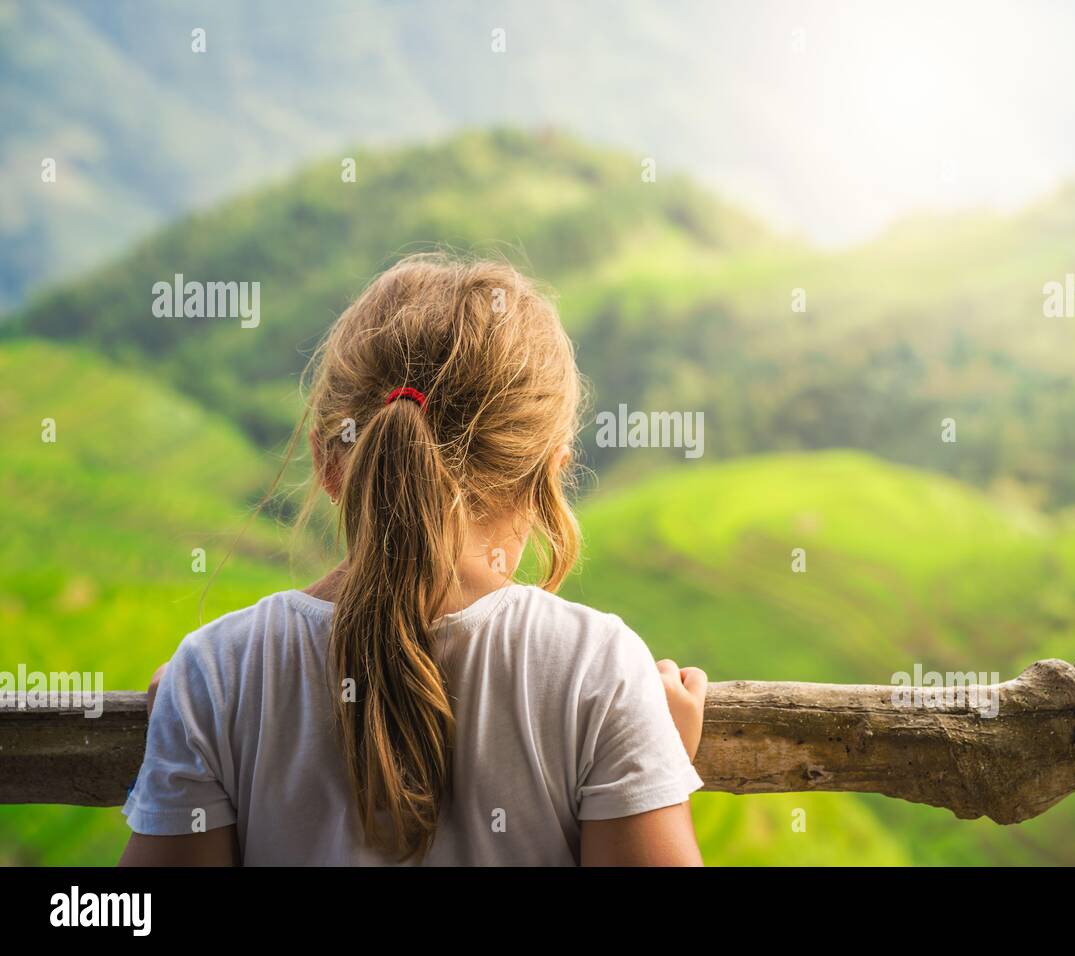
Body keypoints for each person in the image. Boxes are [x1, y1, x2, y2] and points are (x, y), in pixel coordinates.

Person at [119, 254, 708, 866]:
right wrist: (656, 769)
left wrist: (185, 728)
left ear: (327, 462)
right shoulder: (598, 671)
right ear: (547, 477)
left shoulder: (217, 675)